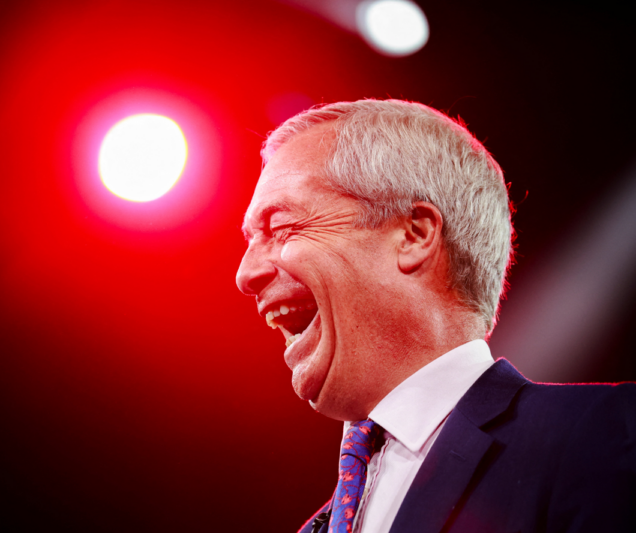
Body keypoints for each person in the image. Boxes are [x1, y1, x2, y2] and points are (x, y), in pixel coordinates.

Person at [235, 99, 636, 533]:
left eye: (281, 228)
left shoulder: (607, 434)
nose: (245, 275)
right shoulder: (319, 526)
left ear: (414, 235)